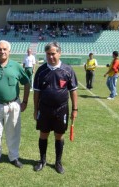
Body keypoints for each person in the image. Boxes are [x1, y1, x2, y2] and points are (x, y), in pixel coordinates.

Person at [33, 42, 78, 174]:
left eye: (53, 53)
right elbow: (36, 92)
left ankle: (58, 162)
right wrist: (36, 110)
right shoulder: (41, 71)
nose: (51, 56)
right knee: (43, 135)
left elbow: (73, 91)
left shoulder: (67, 70)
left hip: (61, 109)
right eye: (48, 54)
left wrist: (75, 109)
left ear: (59, 53)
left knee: (59, 136)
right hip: (44, 109)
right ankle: (42, 160)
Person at [0, 40, 30, 169]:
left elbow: (26, 83)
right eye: (0, 49)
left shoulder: (16, 66)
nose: (2, 51)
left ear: (9, 51)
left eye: (5, 49)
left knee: (13, 132)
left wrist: (25, 101)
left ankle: (14, 157)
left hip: (13, 105)